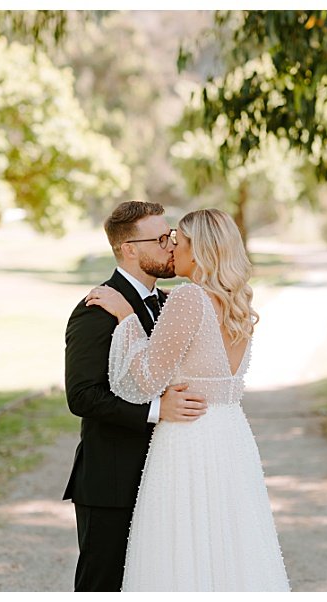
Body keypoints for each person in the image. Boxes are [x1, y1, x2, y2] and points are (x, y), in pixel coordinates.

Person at [84, 208, 289, 591]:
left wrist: (127, 317)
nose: (171, 250)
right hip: (230, 436)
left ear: (200, 249)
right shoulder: (237, 300)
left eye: (177, 242)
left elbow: (144, 380)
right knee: (228, 547)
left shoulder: (189, 298)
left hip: (189, 437)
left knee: (181, 549)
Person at [63, 200, 209, 591]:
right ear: (130, 249)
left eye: (172, 237)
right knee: (104, 586)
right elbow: (82, 396)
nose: (171, 246)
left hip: (165, 476)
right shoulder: (95, 310)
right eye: (161, 239)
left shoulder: (170, 304)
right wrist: (158, 410)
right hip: (111, 482)